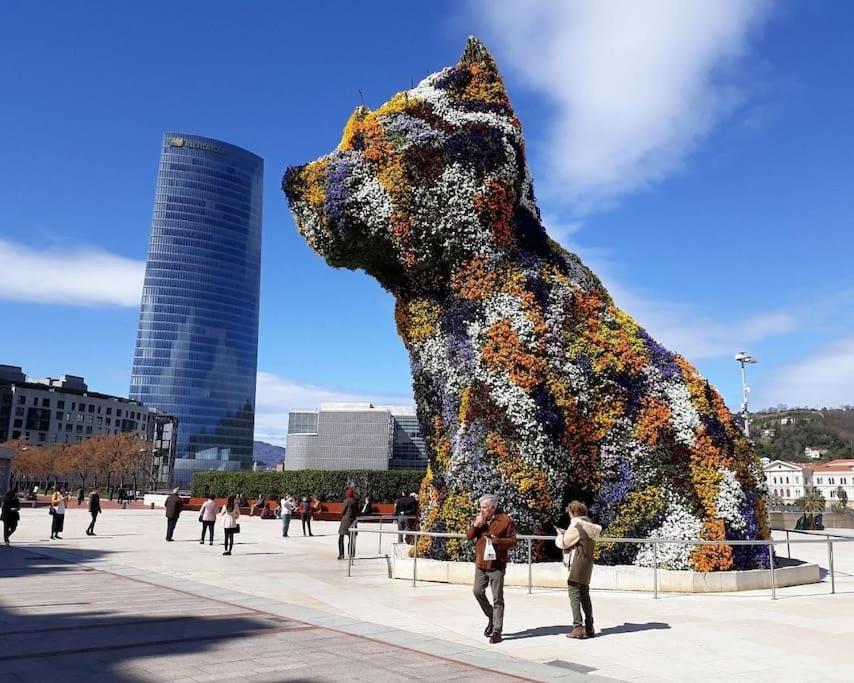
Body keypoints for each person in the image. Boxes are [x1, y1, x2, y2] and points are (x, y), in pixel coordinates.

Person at [466, 494, 517, 644]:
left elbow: (513, 541)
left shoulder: (505, 520)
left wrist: (497, 541)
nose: (481, 510)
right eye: (480, 507)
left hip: (496, 565)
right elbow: (469, 536)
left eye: (484, 508)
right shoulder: (479, 519)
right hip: (481, 564)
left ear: (493, 508)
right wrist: (475, 525)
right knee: (477, 591)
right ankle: (491, 616)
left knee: (497, 598)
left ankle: (497, 630)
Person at [556, 500, 602, 639]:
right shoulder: (590, 526)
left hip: (576, 562)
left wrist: (559, 535)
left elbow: (564, 543)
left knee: (574, 594)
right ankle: (589, 626)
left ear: (573, 512)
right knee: (585, 595)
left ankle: (577, 627)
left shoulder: (575, 525)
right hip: (587, 563)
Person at [338, 488, 359, 560]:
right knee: (351, 538)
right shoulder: (355, 501)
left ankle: (341, 554)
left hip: (345, 521)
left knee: (341, 538)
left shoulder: (346, 500)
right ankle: (351, 554)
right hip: (353, 521)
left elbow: (342, 511)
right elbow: (357, 511)